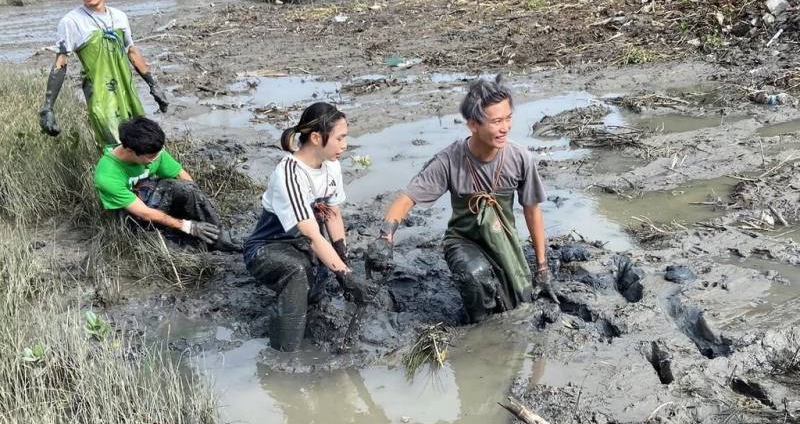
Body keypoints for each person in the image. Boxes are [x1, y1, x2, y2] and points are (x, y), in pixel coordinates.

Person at [365, 76, 559, 324]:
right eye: (496, 121)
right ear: (473, 125)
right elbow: (407, 199)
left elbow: (533, 212)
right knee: (475, 276)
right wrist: (385, 236)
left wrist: (542, 269)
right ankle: (477, 329)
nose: (505, 128)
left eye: (508, 118)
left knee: (519, 302)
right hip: (462, 241)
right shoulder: (449, 160)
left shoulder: (520, 159)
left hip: (503, 240)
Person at [244, 102, 378, 352]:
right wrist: (346, 277)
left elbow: (333, 214)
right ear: (316, 137)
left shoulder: (331, 166)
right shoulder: (290, 173)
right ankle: (284, 353)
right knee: (297, 272)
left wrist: (342, 260)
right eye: (339, 138)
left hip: (304, 245)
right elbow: (313, 234)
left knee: (317, 279)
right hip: (267, 247)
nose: (344, 145)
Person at [39, 0, 168, 150]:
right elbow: (61, 62)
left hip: (127, 90)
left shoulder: (119, 16)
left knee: (143, 142)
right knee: (115, 146)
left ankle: (147, 179)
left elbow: (131, 51)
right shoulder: (71, 22)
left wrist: (153, 85)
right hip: (100, 94)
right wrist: (47, 108)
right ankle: (115, 179)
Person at [94, 116, 237, 251]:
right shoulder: (107, 175)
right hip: (133, 216)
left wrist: (199, 203)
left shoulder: (152, 151)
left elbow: (184, 179)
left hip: (152, 197)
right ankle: (181, 236)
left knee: (186, 189)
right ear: (130, 151)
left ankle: (217, 236)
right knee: (178, 245)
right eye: (151, 157)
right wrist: (187, 226)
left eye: (158, 153)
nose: (156, 158)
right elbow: (145, 213)